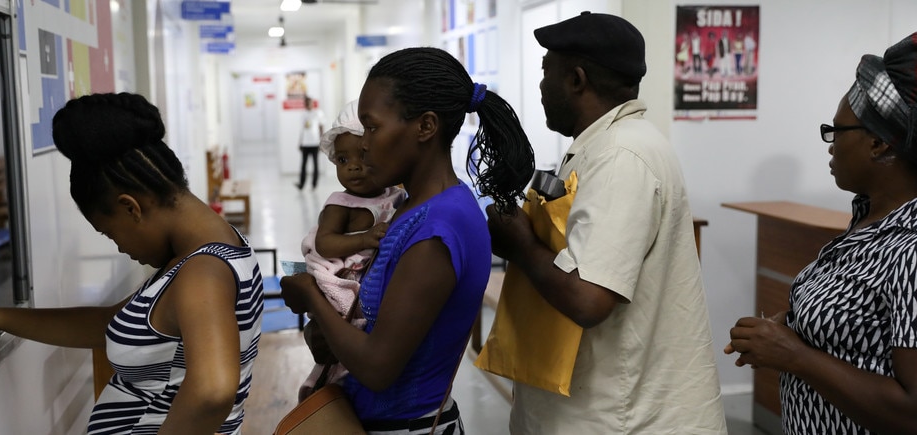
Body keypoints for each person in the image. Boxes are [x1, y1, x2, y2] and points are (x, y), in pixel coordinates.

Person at [486, 12, 727, 433]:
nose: (540, 86)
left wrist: (521, 246)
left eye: (546, 73)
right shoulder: (604, 146)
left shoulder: (622, 156)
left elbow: (588, 299)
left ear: (576, 80)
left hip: (621, 418)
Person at [279, 46, 534, 433]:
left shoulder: (439, 228)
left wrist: (311, 297)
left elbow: (379, 367)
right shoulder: (409, 206)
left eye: (373, 128)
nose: (362, 144)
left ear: (425, 127)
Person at [0, 92, 263, 435]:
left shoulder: (203, 271)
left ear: (131, 207)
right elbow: (111, 323)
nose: (121, 248)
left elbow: (213, 392)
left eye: (111, 233)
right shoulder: (214, 249)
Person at [726, 33, 917, 434]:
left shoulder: (911, 249)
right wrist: (793, 328)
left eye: (837, 130)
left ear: (879, 144)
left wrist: (793, 354)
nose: (830, 145)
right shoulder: (867, 223)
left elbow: (911, 411)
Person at [296, 99, 405, 401]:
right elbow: (325, 243)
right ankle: (325, 393)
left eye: (362, 157)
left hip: (372, 281)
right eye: (343, 161)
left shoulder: (393, 194)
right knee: (338, 348)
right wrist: (364, 238)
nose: (353, 167)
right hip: (343, 276)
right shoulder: (341, 203)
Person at [296, 95, 325, 190]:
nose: (308, 105)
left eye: (309, 103)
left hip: (315, 142)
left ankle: (314, 183)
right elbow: (302, 130)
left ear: (312, 103)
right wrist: (300, 142)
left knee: (315, 164)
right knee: (303, 164)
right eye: (306, 103)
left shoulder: (317, 113)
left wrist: (322, 140)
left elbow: (321, 127)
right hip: (305, 143)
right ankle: (301, 183)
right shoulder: (303, 114)